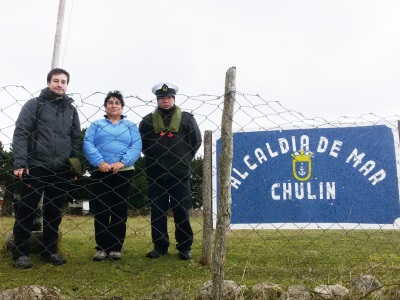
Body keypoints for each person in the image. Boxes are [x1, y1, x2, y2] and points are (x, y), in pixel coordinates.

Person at [12, 68, 82, 269]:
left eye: (63, 82)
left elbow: (76, 139)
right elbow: (21, 133)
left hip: (60, 169)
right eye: (56, 81)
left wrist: (74, 167)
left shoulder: (71, 109)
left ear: (67, 85)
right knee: (27, 210)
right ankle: (20, 253)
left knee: (53, 211)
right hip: (35, 167)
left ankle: (50, 251)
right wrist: (20, 163)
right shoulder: (34, 105)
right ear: (49, 82)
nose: (60, 85)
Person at [139, 83, 202, 260]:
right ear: (157, 100)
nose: (165, 101)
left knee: (181, 211)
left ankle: (184, 247)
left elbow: (196, 141)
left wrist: (183, 158)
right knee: (157, 211)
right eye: (162, 98)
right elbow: (142, 144)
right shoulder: (147, 121)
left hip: (180, 174)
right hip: (155, 173)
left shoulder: (187, 119)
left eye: (168, 98)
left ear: (173, 99)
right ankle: (160, 246)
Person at [84, 90, 142, 261]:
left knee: (119, 209)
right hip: (101, 172)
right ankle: (101, 248)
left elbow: (136, 145)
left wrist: (122, 162)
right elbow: (88, 143)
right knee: (101, 209)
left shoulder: (131, 126)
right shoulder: (96, 125)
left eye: (117, 103)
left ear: (122, 107)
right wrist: (100, 162)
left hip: (123, 173)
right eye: (110, 102)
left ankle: (116, 247)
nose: (114, 105)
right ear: (105, 106)